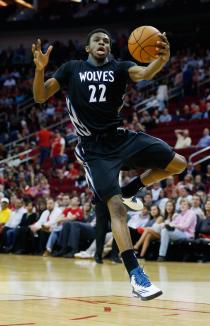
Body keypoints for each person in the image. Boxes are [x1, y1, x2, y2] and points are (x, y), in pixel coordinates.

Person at [32, 28, 187, 300]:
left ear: (110, 49)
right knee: (116, 209)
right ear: (88, 48)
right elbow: (40, 96)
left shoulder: (119, 67)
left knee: (179, 164)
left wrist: (162, 59)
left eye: (106, 41)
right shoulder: (72, 68)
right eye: (97, 41)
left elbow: (145, 73)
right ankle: (136, 275)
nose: (102, 43)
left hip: (120, 138)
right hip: (94, 150)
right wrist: (40, 70)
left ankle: (131, 189)